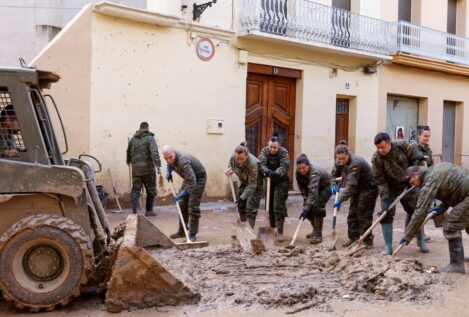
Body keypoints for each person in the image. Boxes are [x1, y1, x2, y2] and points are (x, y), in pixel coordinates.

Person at [402, 164, 469, 273]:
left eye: (412, 181)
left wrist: (407, 235)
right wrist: (440, 208)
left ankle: (457, 265)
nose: (412, 184)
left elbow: (420, 211)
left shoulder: (429, 181)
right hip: (465, 195)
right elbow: (451, 190)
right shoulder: (432, 172)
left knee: (451, 226)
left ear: (416, 174)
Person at [371, 132, 429, 255]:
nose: (380, 150)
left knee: (416, 211)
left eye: (382, 147)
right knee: (386, 214)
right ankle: (388, 247)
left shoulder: (402, 146)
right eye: (378, 148)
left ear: (389, 143)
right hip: (390, 187)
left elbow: (414, 160)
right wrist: (385, 198)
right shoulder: (376, 158)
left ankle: (420, 240)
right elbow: (380, 181)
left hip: (408, 183)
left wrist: (413, 178)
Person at [331, 142, 378, 248]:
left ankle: (367, 240)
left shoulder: (355, 163)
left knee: (363, 214)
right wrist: (333, 184)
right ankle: (353, 238)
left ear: (348, 154)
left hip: (368, 188)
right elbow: (334, 175)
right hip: (357, 188)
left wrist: (340, 200)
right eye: (339, 159)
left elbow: (351, 186)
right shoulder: (338, 161)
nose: (341, 161)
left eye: (343, 158)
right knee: (352, 213)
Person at [164, 144, 207, 242]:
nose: (168, 160)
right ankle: (182, 231)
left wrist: (181, 195)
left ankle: (192, 234)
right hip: (189, 178)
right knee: (182, 203)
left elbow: (193, 183)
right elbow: (169, 164)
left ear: (173, 153)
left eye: (170, 157)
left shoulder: (183, 161)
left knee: (192, 205)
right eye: (166, 158)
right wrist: (169, 172)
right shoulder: (170, 157)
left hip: (198, 178)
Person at [259, 132, 290, 242]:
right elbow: (261, 164)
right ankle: (272, 229)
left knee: (278, 206)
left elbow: (285, 165)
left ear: (279, 146)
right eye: (271, 147)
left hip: (281, 181)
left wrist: (276, 173)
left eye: (275, 147)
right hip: (269, 181)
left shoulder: (283, 152)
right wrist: (267, 172)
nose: (272, 149)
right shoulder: (264, 151)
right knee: (269, 205)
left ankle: (280, 232)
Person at [126, 122, 161, 217]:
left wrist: (128, 161)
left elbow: (128, 152)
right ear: (148, 128)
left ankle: (134, 212)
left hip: (136, 170)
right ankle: (149, 211)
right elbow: (154, 152)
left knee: (135, 190)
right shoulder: (150, 138)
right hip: (148, 170)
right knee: (151, 190)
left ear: (140, 128)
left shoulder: (133, 140)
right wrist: (158, 165)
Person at [225, 142, 262, 229]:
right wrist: (230, 169)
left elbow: (252, 185)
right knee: (240, 206)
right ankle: (243, 229)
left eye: (242, 159)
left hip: (255, 184)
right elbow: (231, 164)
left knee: (250, 209)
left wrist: (242, 197)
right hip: (243, 181)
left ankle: (248, 233)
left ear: (247, 155)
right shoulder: (233, 158)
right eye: (238, 159)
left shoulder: (252, 163)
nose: (239, 161)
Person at [296, 154, 332, 244]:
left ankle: (318, 236)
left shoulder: (314, 172)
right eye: (300, 168)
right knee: (307, 208)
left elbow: (313, 193)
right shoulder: (298, 173)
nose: (302, 170)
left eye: (304, 168)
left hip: (327, 186)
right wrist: (305, 199)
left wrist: (307, 207)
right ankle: (315, 230)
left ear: (308, 165)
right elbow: (302, 188)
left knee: (316, 206)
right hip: (316, 188)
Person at [411, 125, 434, 242]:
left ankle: (418, 232)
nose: (427, 138)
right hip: (414, 183)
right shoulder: (412, 148)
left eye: (428, 136)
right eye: (425, 136)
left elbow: (431, 166)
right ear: (419, 135)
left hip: (426, 183)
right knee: (415, 208)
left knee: (423, 208)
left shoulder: (428, 150)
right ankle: (414, 233)